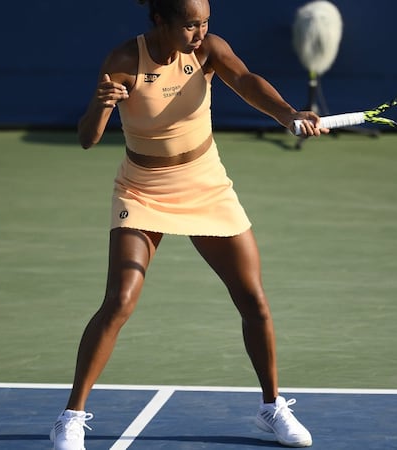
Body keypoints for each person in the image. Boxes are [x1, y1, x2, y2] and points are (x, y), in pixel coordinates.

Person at [50, 0, 327, 448]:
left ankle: (271, 407)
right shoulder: (124, 59)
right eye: (189, 25)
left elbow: (245, 80)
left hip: (206, 184)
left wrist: (287, 112)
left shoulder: (208, 51)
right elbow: (87, 139)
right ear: (160, 21)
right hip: (142, 190)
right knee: (120, 300)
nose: (199, 33)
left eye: (204, 24)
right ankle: (70, 417)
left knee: (253, 300)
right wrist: (101, 106)